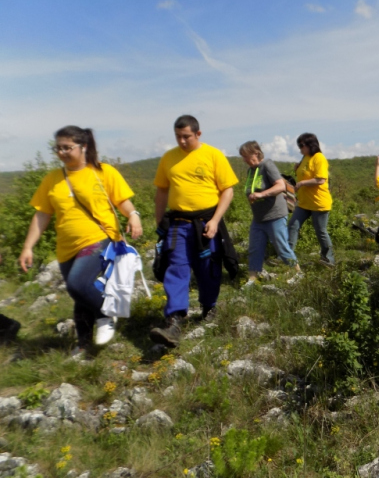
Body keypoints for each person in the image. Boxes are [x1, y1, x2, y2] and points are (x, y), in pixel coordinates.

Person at [20, 126, 142, 354]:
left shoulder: (103, 172)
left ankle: (106, 314)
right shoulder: (52, 179)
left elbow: (122, 200)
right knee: (79, 295)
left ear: (83, 146)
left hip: (99, 238)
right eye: (58, 148)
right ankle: (84, 346)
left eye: (68, 147)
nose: (62, 152)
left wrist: (133, 216)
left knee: (78, 283)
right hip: (66, 247)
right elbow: (42, 215)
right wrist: (28, 247)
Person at [150, 115, 239, 348]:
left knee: (208, 268)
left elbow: (227, 191)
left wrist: (216, 220)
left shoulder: (213, 155)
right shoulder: (168, 158)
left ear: (198, 134)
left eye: (186, 136)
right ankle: (175, 320)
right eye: (178, 136)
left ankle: (209, 307)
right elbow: (161, 192)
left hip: (206, 221)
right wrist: (160, 223)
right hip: (178, 224)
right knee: (176, 267)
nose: (181, 141)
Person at [240, 141, 300, 286]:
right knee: (255, 248)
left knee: (281, 246)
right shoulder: (251, 171)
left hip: (275, 215)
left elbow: (280, 185)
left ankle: (298, 273)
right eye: (243, 157)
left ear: (256, 153)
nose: (245, 160)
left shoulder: (267, 165)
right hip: (259, 218)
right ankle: (252, 279)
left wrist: (262, 195)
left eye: (246, 156)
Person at [287, 133, 335, 268]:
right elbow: (305, 174)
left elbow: (320, 179)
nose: (300, 148)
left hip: (318, 202)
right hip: (304, 202)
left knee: (320, 230)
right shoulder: (305, 158)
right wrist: (297, 169)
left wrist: (302, 183)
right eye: (299, 145)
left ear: (311, 145)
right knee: (293, 225)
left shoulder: (319, 158)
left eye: (302, 145)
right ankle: (287, 256)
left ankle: (328, 259)